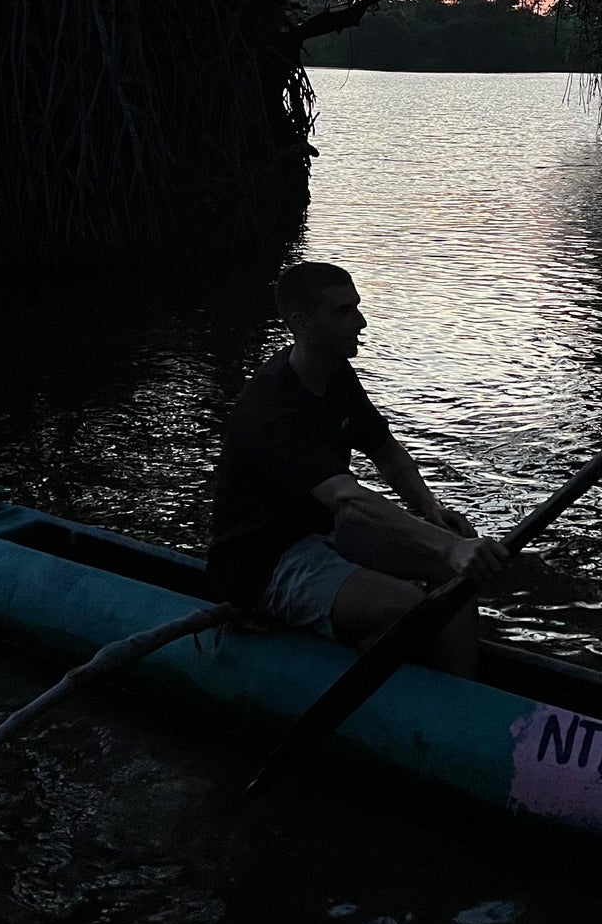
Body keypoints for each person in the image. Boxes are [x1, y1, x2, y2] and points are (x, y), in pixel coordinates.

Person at [207, 262, 509, 675]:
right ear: (300, 323)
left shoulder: (335, 374)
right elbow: (347, 500)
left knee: (454, 577)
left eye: (357, 308)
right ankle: (384, 656)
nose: (361, 322)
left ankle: (462, 688)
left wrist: (431, 512)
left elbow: (385, 451)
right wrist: (450, 547)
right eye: (342, 312)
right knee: (413, 605)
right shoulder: (272, 407)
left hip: (324, 529)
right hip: (265, 562)